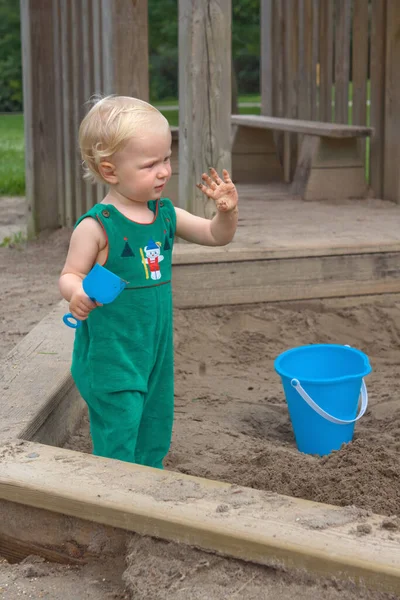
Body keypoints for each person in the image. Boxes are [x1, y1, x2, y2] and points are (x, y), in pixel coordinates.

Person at [59, 95, 238, 469]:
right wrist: (76, 294)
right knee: (119, 430)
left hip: (154, 351)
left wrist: (227, 213)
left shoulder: (166, 214)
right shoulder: (97, 226)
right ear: (110, 171)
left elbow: (215, 236)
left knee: (155, 425)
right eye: (149, 164)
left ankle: (144, 487)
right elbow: (70, 275)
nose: (163, 171)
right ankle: (112, 500)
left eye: (166, 159)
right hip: (112, 355)